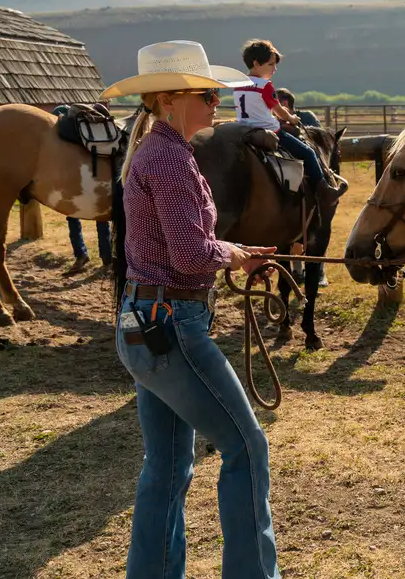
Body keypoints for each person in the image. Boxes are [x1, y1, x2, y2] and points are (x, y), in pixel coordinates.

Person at [101, 40, 282, 579]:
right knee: (246, 448)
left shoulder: (154, 153)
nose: (216, 104)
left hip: (143, 325)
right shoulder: (173, 159)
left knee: (168, 465)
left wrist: (230, 252)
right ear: (171, 99)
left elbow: (181, 247)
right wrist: (233, 255)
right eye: (207, 95)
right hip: (174, 325)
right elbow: (188, 254)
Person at [232, 39, 344, 208]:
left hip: (242, 129)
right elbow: (278, 110)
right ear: (256, 63)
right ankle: (324, 191)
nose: (274, 69)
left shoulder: (238, 83)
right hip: (268, 130)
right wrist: (291, 119)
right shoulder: (265, 85)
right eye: (270, 65)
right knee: (308, 153)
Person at [274, 88, 329, 287]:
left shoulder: (306, 117)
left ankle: (323, 189)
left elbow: (317, 141)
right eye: (278, 101)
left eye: (283, 101)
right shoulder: (274, 116)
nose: (279, 104)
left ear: (289, 102)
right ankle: (297, 270)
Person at [51, 104, 113, 274]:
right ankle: (103, 258)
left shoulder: (68, 140)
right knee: (96, 219)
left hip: (87, 182)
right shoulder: (83, 138)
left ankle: (86, 256)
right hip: (90, 181)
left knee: (79, 218)